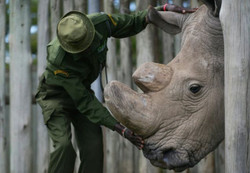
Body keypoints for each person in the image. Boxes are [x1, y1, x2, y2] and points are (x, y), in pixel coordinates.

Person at [35, 3, 196, 173]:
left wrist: (160, 10)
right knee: (63, 147)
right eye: (81, 48)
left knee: (93, 146)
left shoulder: (100, 23)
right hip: (56, 98)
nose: (88, 49)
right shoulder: (59, 61)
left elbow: (131, 22)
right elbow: (85, 102)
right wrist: (120, 129)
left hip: (82, 93)